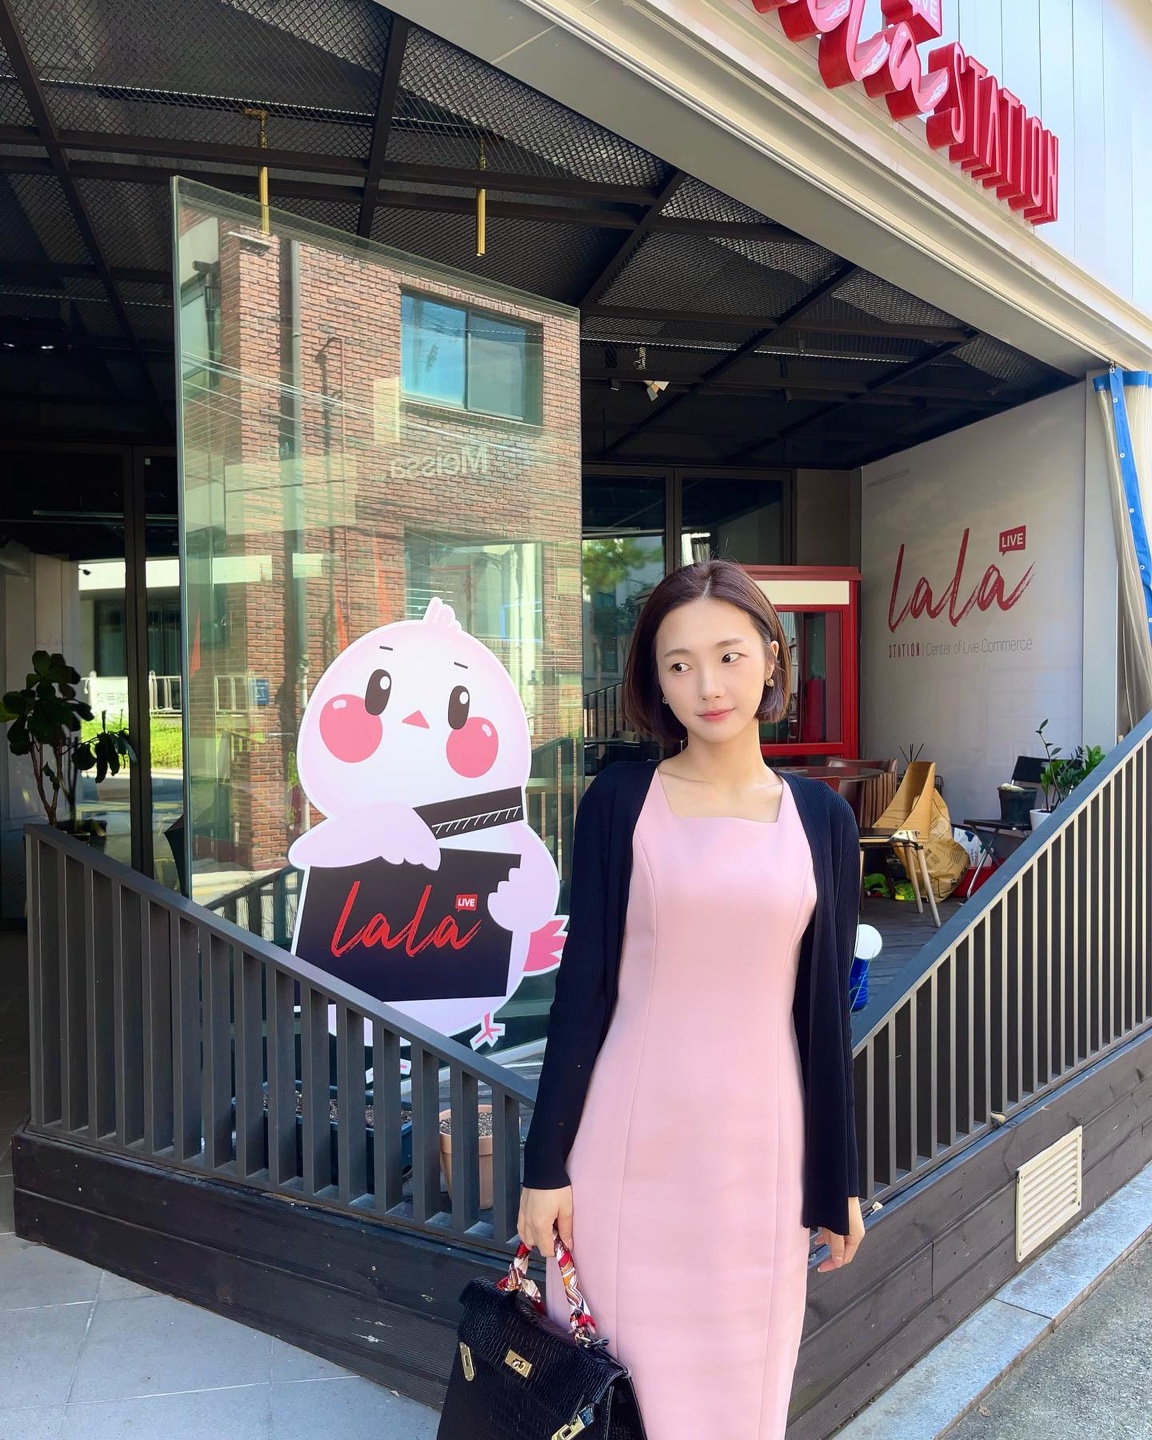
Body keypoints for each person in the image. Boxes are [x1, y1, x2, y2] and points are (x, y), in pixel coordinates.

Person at [518, 559, 865, 1440]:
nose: (707, 686)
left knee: (743, 1399)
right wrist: (544, 1167)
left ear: (772, 658)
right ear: (656, 682)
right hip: (628, 1152)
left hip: (762, 1159)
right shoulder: (620, 802)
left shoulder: (823, 820)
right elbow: (581, 997)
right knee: (617, 1396)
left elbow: (823, 1018)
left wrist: (839, 1181)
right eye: (679, 664)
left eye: (728, 656)